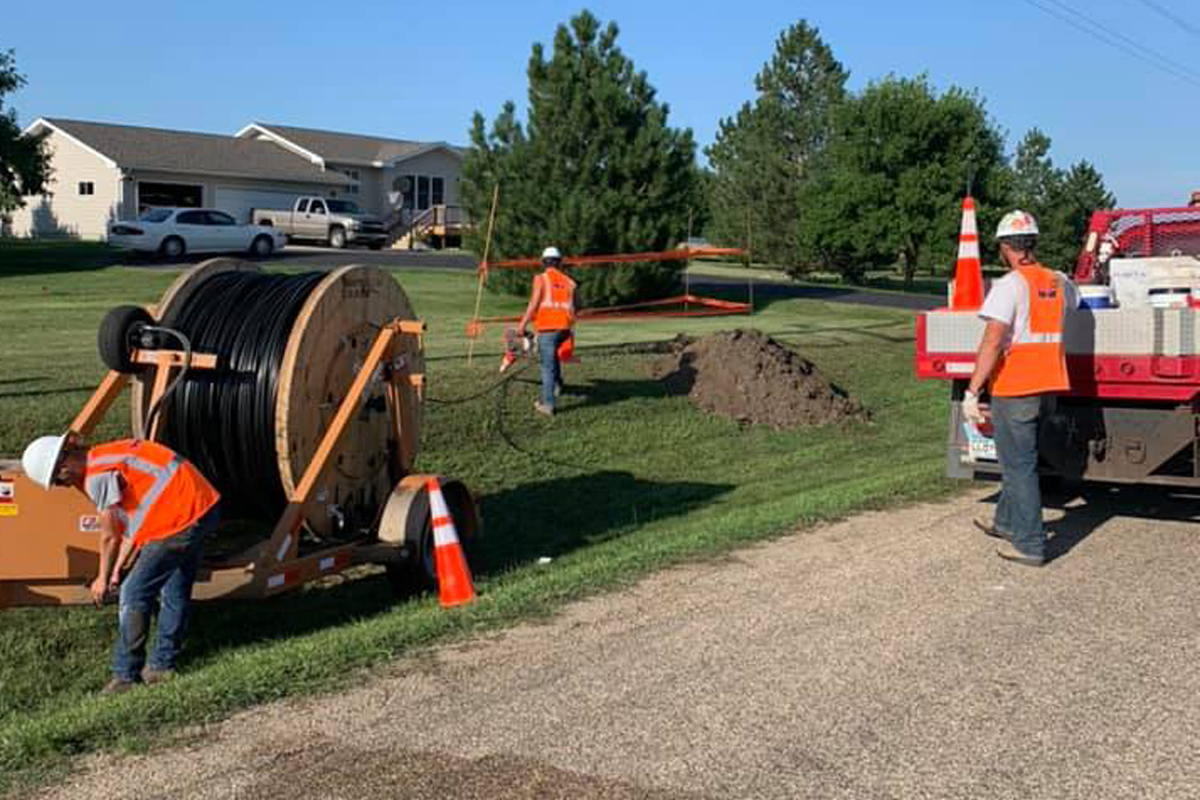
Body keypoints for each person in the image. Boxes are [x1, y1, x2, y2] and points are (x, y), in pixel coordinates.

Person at [21, 432, 220, 693]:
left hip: (180, 519)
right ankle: (162, 666)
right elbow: (130, 528)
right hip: (203, 507)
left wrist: (102, 579)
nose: (64, 485)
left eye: (58, 479)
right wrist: (116, 571)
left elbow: (109, 536)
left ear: (64, 463)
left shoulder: (97, 477)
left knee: (133, 592)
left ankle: (126, 676)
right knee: (174, 589)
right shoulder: (106, 458)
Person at [962, 210, 1077, 567]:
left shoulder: (1009, 286)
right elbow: (1075, 305)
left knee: (1018, 467)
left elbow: (993, 340)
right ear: (1033, 243)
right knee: (1023, 461)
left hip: (1015, 388)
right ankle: (1005, 521)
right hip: (1050, 387)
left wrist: (972, 391)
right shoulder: (1060, 281)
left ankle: (1029, 543)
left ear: (1004, 248)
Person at [518, 245, 577, 416]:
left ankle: (548, 404)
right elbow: (575, 308)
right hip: (564, 329)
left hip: (548, 330)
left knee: (547, 367)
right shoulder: (570, 282)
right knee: (552, 359)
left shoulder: (541, 279)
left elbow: (534, 304)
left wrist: (522, 325)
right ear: (559, 263)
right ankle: (558, 385)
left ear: (544, 262)